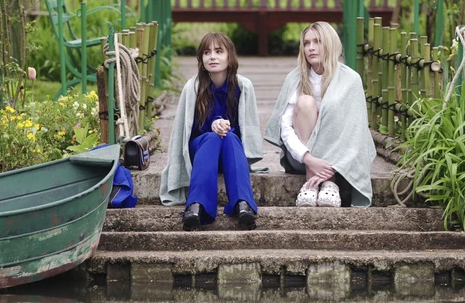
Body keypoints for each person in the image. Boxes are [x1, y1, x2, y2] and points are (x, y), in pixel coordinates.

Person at [265, 21, 375, 207]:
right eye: (306, 43)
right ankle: (311, 183)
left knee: (332, 109)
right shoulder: (296, 78)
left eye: (317, 42)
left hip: (339, 160)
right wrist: (308, 158)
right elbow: (285, 128)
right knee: (306, 102)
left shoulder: (350, 80)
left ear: (330, 44)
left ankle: (329, 183)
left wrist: (330, 166)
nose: (311, 48)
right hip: (302, 156)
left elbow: (355, 132)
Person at [160, 32, 263, 231]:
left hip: (231, 154)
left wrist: (225, 127)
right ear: (201, 59)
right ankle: (196, 206)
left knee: (230, 137)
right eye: (207, 52)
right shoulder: (193, 88)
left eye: (218, 51)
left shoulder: (243, 87)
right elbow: (185, 131)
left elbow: (247, 131)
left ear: (229, 57)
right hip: (201, 151)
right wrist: (213, 126)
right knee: (211, 138)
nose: (212, 57)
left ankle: (243, 204)